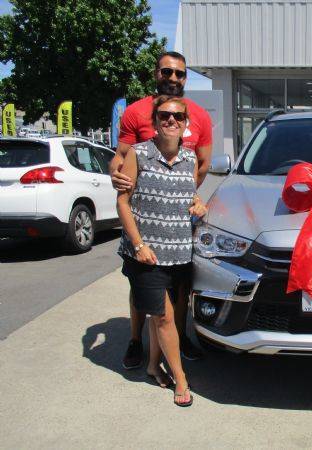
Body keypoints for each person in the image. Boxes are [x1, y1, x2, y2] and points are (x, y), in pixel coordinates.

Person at [110, 51, 212, 369]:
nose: (173, 78)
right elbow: (121, 156)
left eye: (179, 73)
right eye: (167, 71)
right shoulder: (136, 112)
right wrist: (116, 173)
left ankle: (179, 338)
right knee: (141, 286)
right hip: (144, 222)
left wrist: (182, 193)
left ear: (186, 78)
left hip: (178, 225)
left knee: (180, 288)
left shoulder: (199, 116)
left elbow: (203, 163)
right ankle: (135, 339)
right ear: (156, 73)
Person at [117, 95, 205, 407]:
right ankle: (181, 380)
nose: (171, 120)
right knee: (165, 318)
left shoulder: (190, 158)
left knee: (160, 316)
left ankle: (154, 366)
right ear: (155, 121)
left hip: (180, 253)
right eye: (165, 115)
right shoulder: (138, 153)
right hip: (147, 256)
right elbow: (123, 203)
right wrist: (139, 245)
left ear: (186, 124)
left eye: (178, 117)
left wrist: (199, 204)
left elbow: (190, 195)